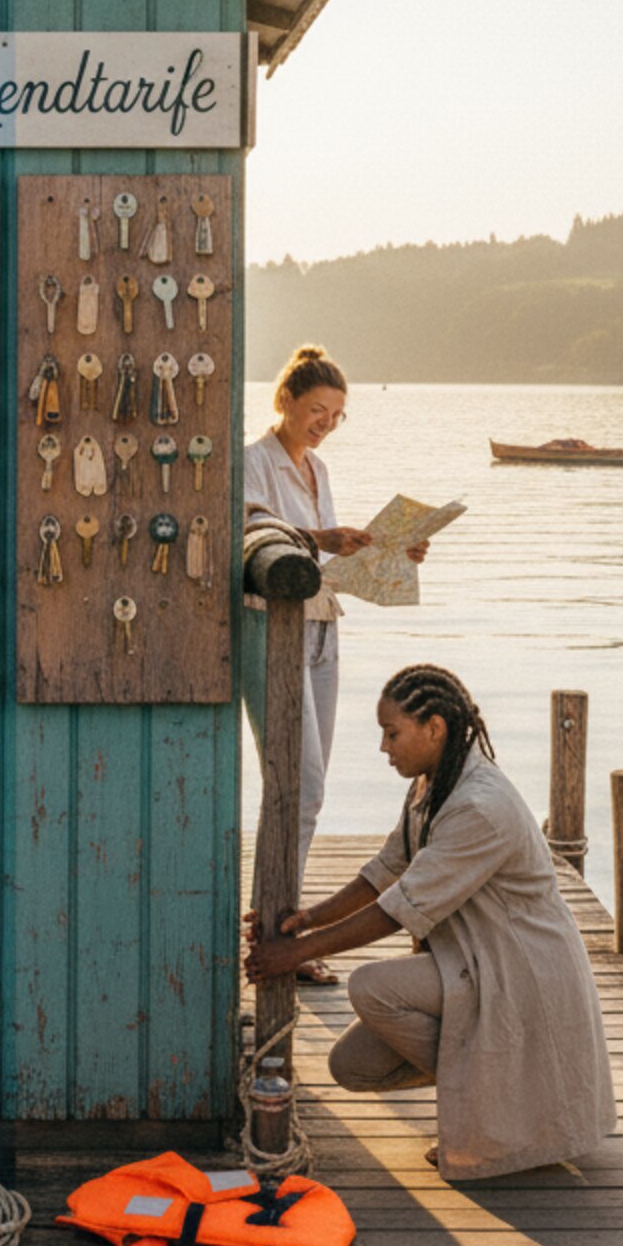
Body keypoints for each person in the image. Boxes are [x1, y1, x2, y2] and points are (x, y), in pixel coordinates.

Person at [246, 663, 617, 1181]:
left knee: (371, 986)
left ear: (434, 727)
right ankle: (492, 1100)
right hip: (470, 958)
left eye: (392, 733)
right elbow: (384, 873)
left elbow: (398, 909)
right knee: (351, 1066)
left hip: (521, 970)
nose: (383, 747)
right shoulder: (432, 781)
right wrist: (308, 920)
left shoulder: (479, 806)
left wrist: (295, 954)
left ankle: (499, 1116)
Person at [242, 344, 429, 982]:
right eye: (317, 409)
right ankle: (272, 934)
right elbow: (249, 530)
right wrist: (322, 538)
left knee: (304, 789)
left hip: (323, 626)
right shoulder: (253, 462)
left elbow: (328, 563)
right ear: (286, 401)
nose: (324, 422)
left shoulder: (318, 470)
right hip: (270, 627)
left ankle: (276, 924)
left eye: (336, 414)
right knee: (301, 783)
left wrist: (391, 554)